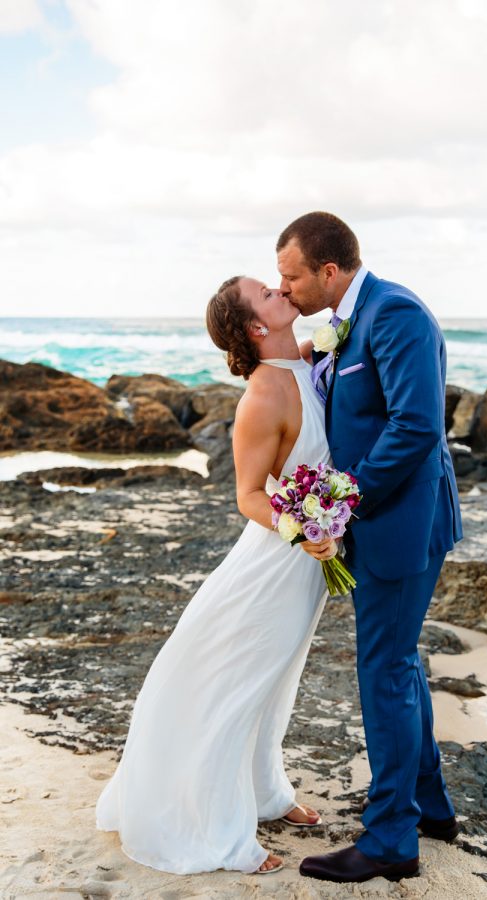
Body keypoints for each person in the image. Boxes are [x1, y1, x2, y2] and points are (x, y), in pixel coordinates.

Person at [95, 275, 338, 875]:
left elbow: (330, 346)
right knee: (241, 686)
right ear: (256, 326)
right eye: (268, 294)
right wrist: (303, 530)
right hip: (275, 565)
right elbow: (249, 495)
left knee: (277, 682)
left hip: (305, 566)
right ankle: (221, 834)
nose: (281, 290)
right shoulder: (261, 398)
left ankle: (265, 792)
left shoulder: (304, 359)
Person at [276, 211, 463, 884]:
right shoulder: (346, 322)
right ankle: (430, 808)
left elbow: (417, 426)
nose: (285, 288)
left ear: (329, 271)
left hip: (402, 523)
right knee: (399, 664)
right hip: (380, 521)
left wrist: (341, 500)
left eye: (291, 277)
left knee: (384, 669)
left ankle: (390, 841)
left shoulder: (396, 314)